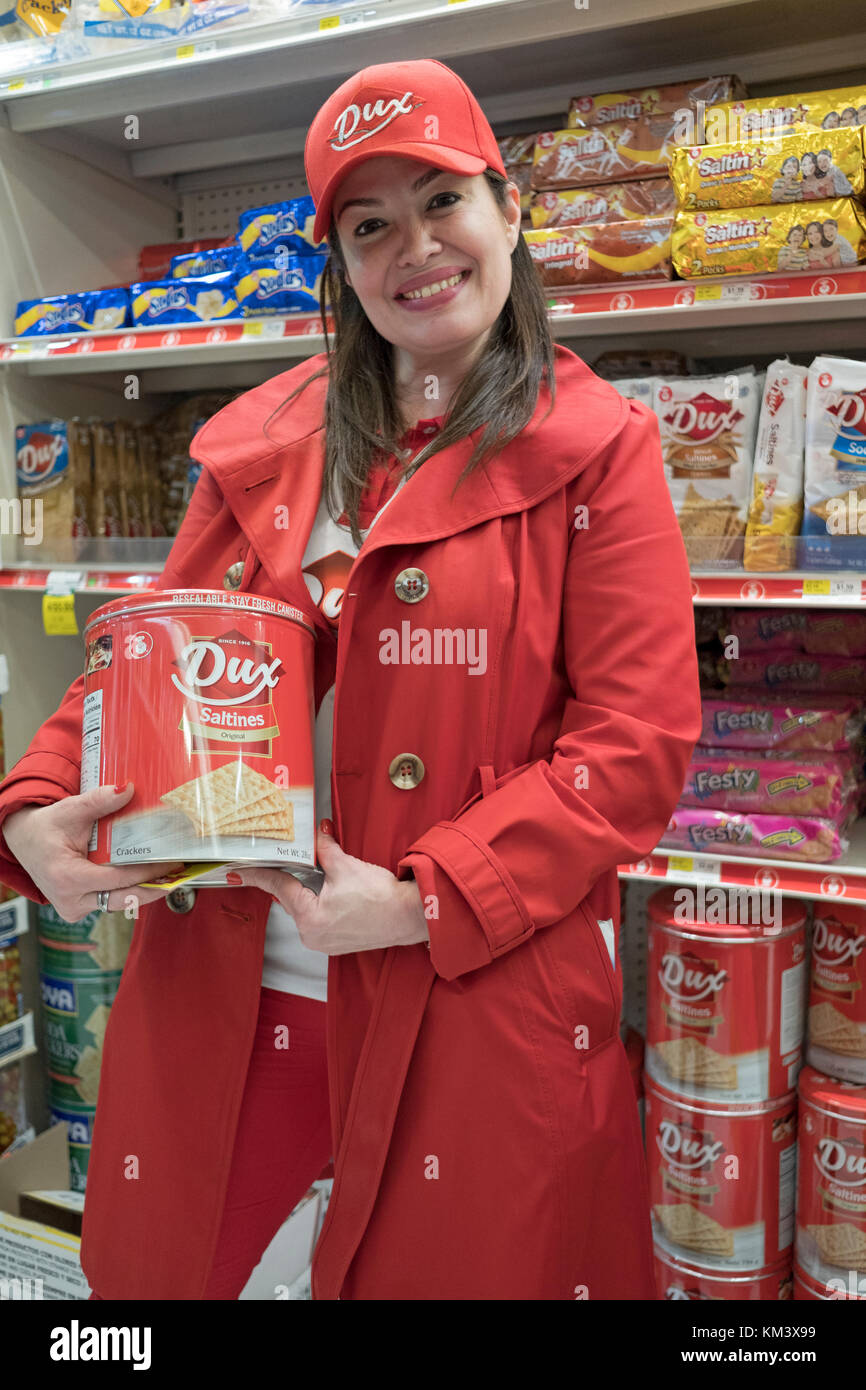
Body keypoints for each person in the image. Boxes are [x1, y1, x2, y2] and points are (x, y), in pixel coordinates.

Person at [0, 58, 702, 1300]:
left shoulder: (599, 452)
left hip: (464, 1006)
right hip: (228, 997)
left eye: (441, 201)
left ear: (509, 209)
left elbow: (632, 748)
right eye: (369, 225)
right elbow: (144, 652)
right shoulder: (264, 444)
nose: (414, 249)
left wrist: (427, 897)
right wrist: (37, 802)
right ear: (341, 264)